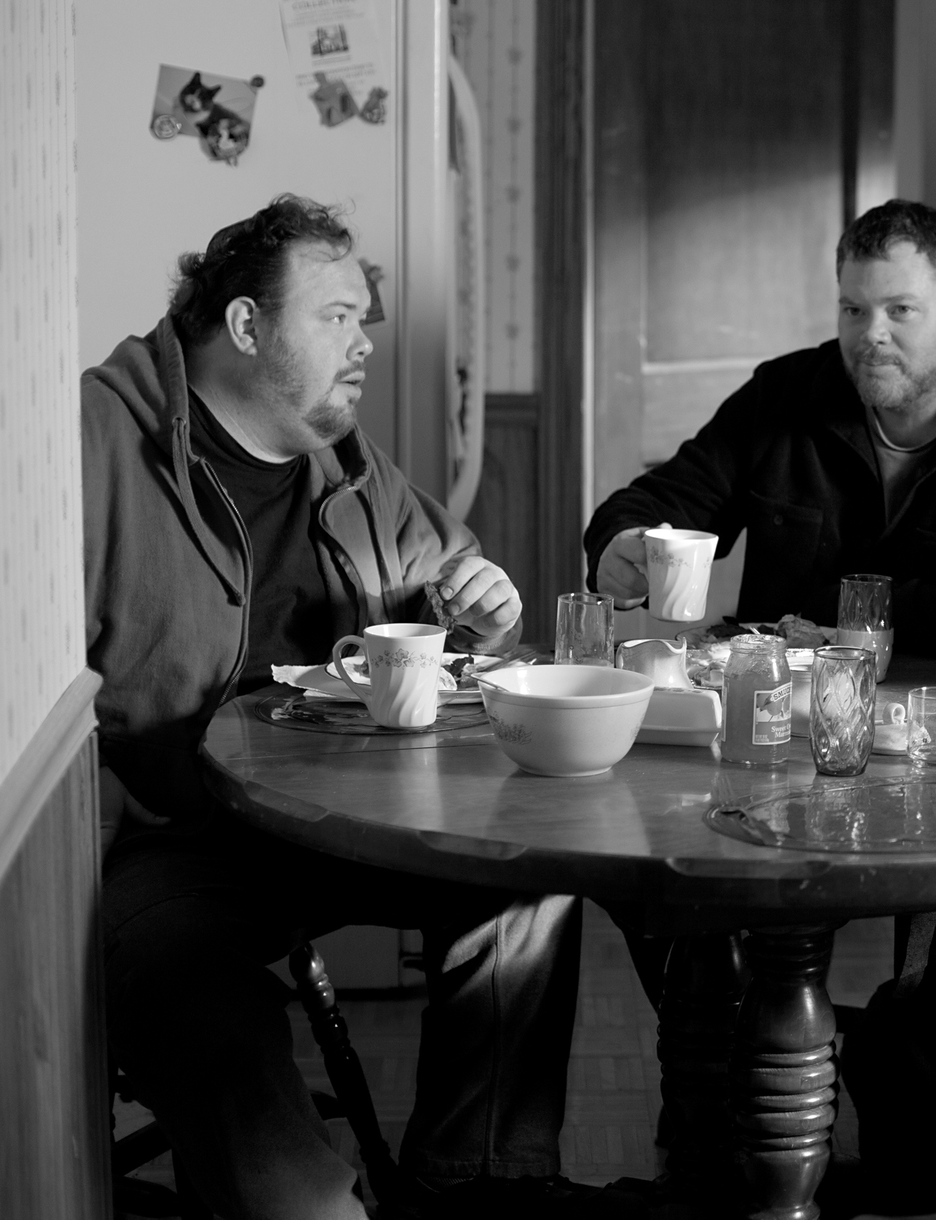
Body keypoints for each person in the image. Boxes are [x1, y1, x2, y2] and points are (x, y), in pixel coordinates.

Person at [86, 197, 588, 1219]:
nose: (364, 343)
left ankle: (474, 1185)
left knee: (527, 893)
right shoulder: (98, 442)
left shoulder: (347, 465)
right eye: (336, 317)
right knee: (187, 984)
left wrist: (479, 602)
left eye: (366, 318)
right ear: (244, 326)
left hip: (345, 819)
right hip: (170, 839)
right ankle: (316, 1206)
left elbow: (444, 577)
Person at [582, 199, 936, 664]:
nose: (871, 333)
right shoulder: (784, 392)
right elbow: (657, 501)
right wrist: (621, 545)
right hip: (774, 718)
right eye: (854, 310)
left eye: (901, 310)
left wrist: (826, 611)